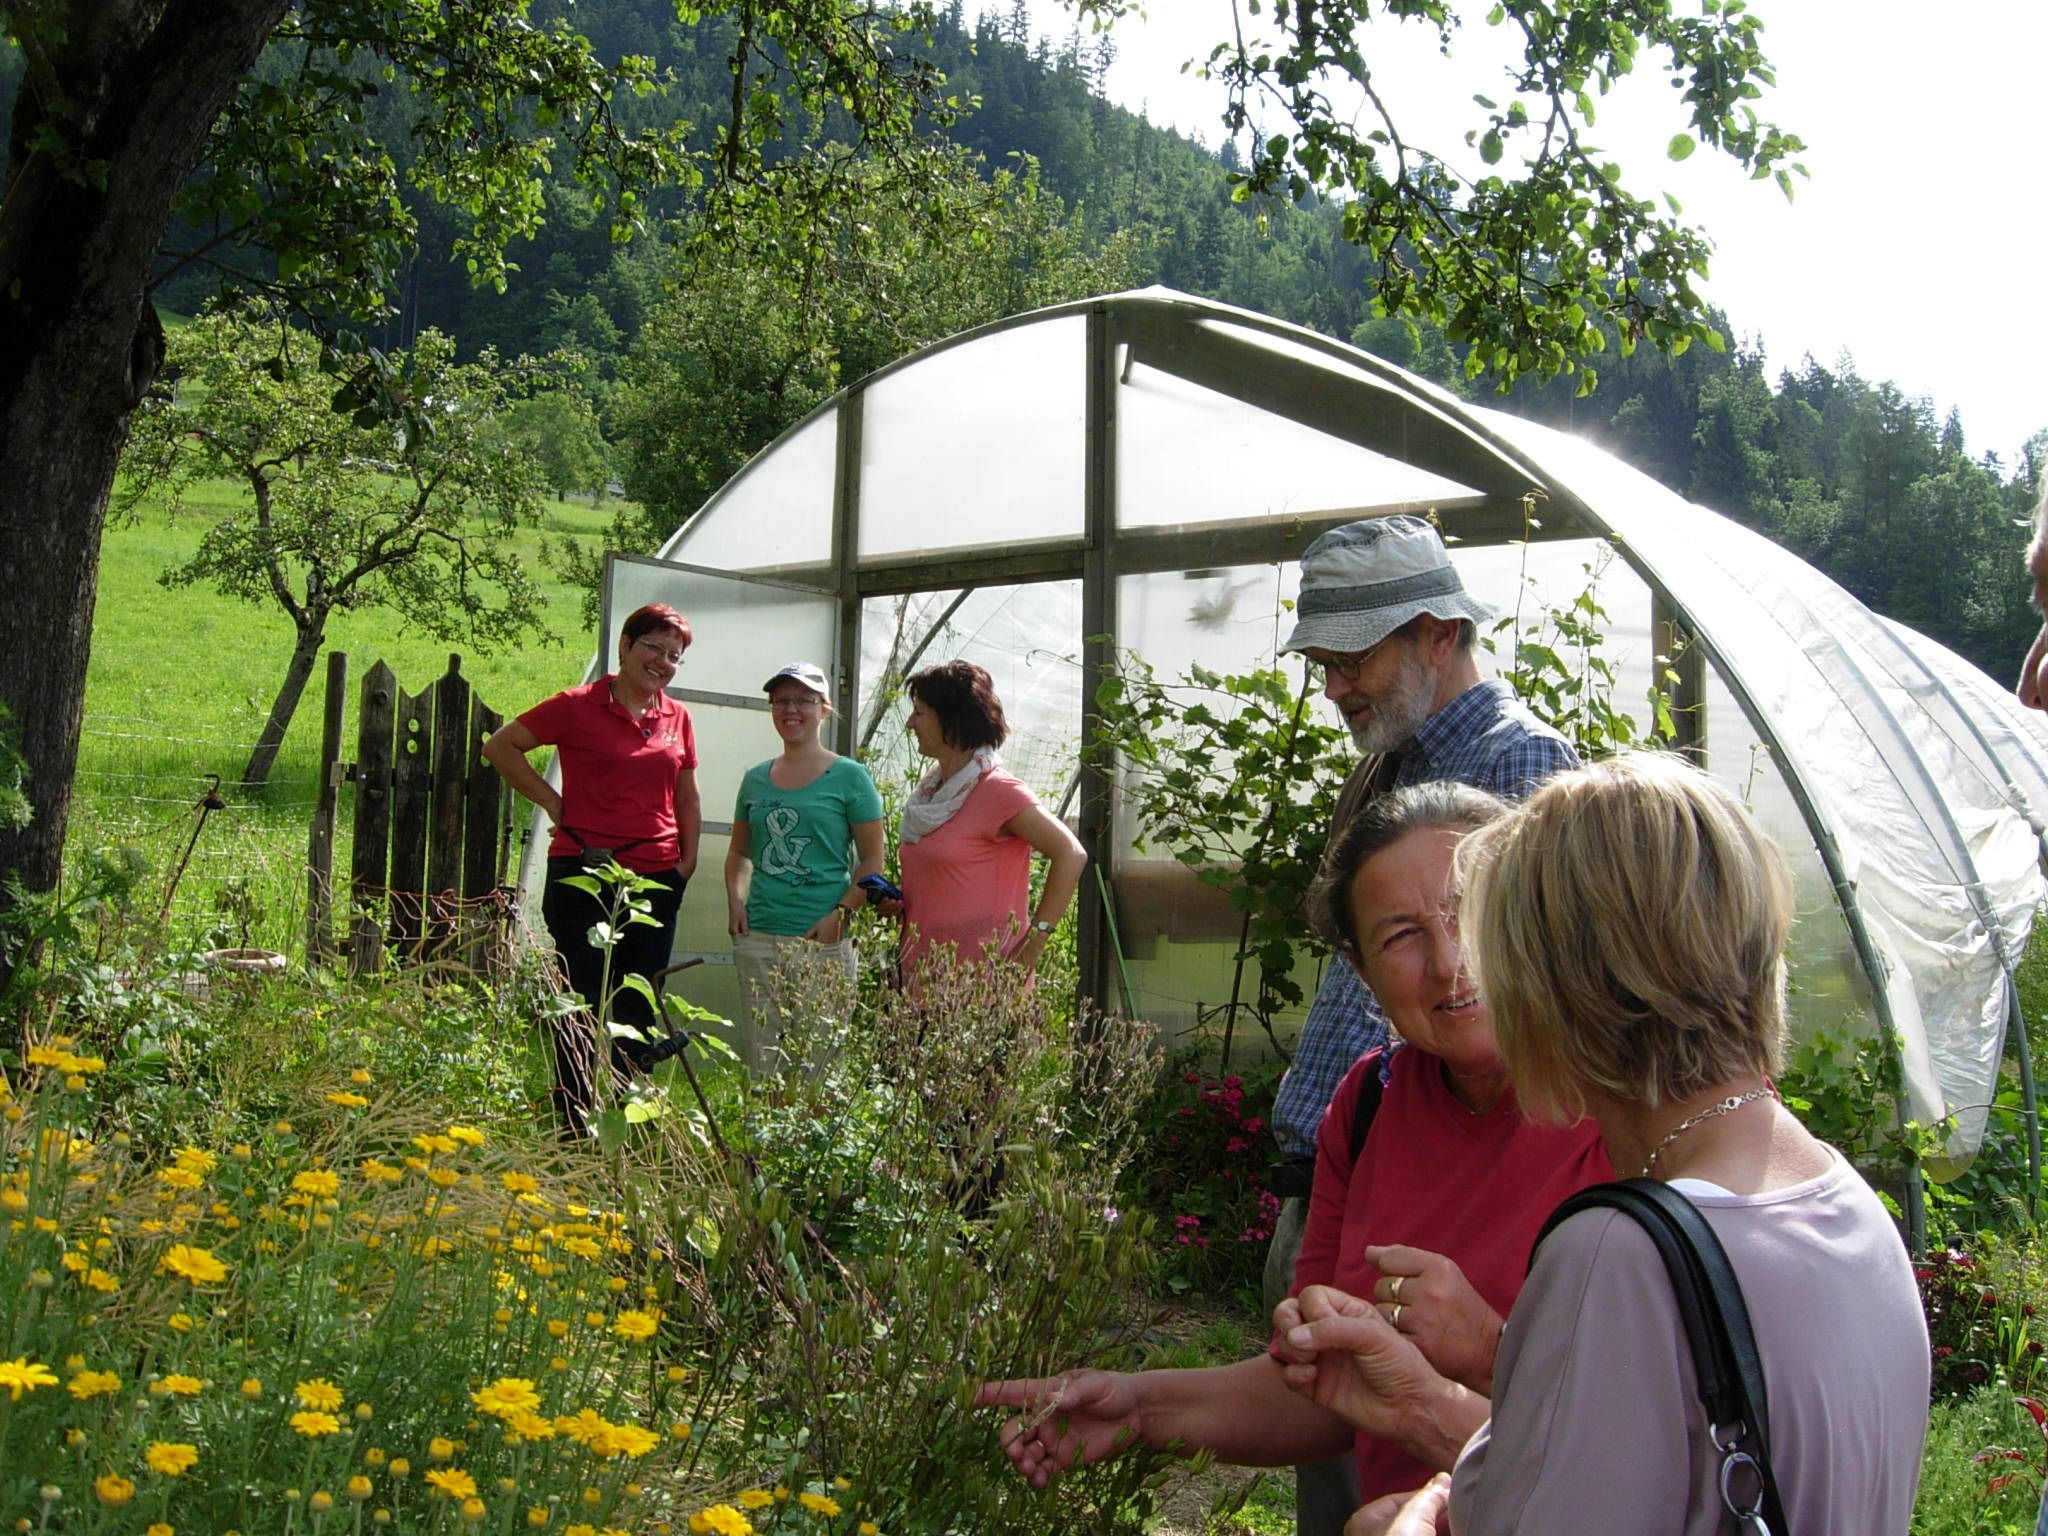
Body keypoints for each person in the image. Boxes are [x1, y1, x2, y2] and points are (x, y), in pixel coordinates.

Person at [1279, 755, 1930, 1535]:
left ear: (1563, 984)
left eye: (1495, 946)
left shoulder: (1618, 1253)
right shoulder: (1842, 1201)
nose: (1462, 973)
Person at [975, 781, 1611, 1511]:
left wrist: (1494, 1352)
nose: (1448, 962)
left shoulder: (1630, 1104)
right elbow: (1321, 1390)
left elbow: (1666, 1457)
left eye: (1469, 910)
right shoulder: (1370, 1104)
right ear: (1363, 976)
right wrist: (1142, 1407)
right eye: (1400, 936)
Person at [1265, 515, 1576, 1533]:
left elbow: (1521, 1003)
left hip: (1431, 1192)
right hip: (1350, 1162)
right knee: (1339, 1446)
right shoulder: (1390, 762)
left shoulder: (1520, 762)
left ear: (1437, 634)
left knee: (1407, 1467)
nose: (1333, 686)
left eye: (1351, 658)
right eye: (1323, 662)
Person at [484, 602, 701, 1133]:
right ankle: (572, 1122)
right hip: (584, 871)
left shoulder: (677, 717)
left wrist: (686, 863)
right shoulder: (577, 706)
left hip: (655, 877)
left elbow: (687, 793)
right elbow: (501, 747)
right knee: (580, 998)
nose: (662, 663)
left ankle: (622, 1120)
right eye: (653, 647)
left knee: (638, 1000)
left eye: (674, 656)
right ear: (625, 646)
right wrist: (554, 804)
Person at [725, 662, 885, 1072]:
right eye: (781, 701)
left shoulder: (850, 777)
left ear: (824, 710)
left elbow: (872, 859)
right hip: (760, 935)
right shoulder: (755, 779)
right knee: (765, 1062)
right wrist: (736, 903)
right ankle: (767, 1138)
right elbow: (741, 853)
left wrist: (843, 912)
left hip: (823, 941)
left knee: (821, 1063)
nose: (790, 710)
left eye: (803, 701)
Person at [883, 660, 1086, 983]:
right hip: (920, 979)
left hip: (984, 987)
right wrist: (896, 903)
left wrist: (1034, 944)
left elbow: (1071, 853)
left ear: (952, 719)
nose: (910, 723)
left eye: (920, 712)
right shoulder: (930, 795)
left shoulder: (997, 790)